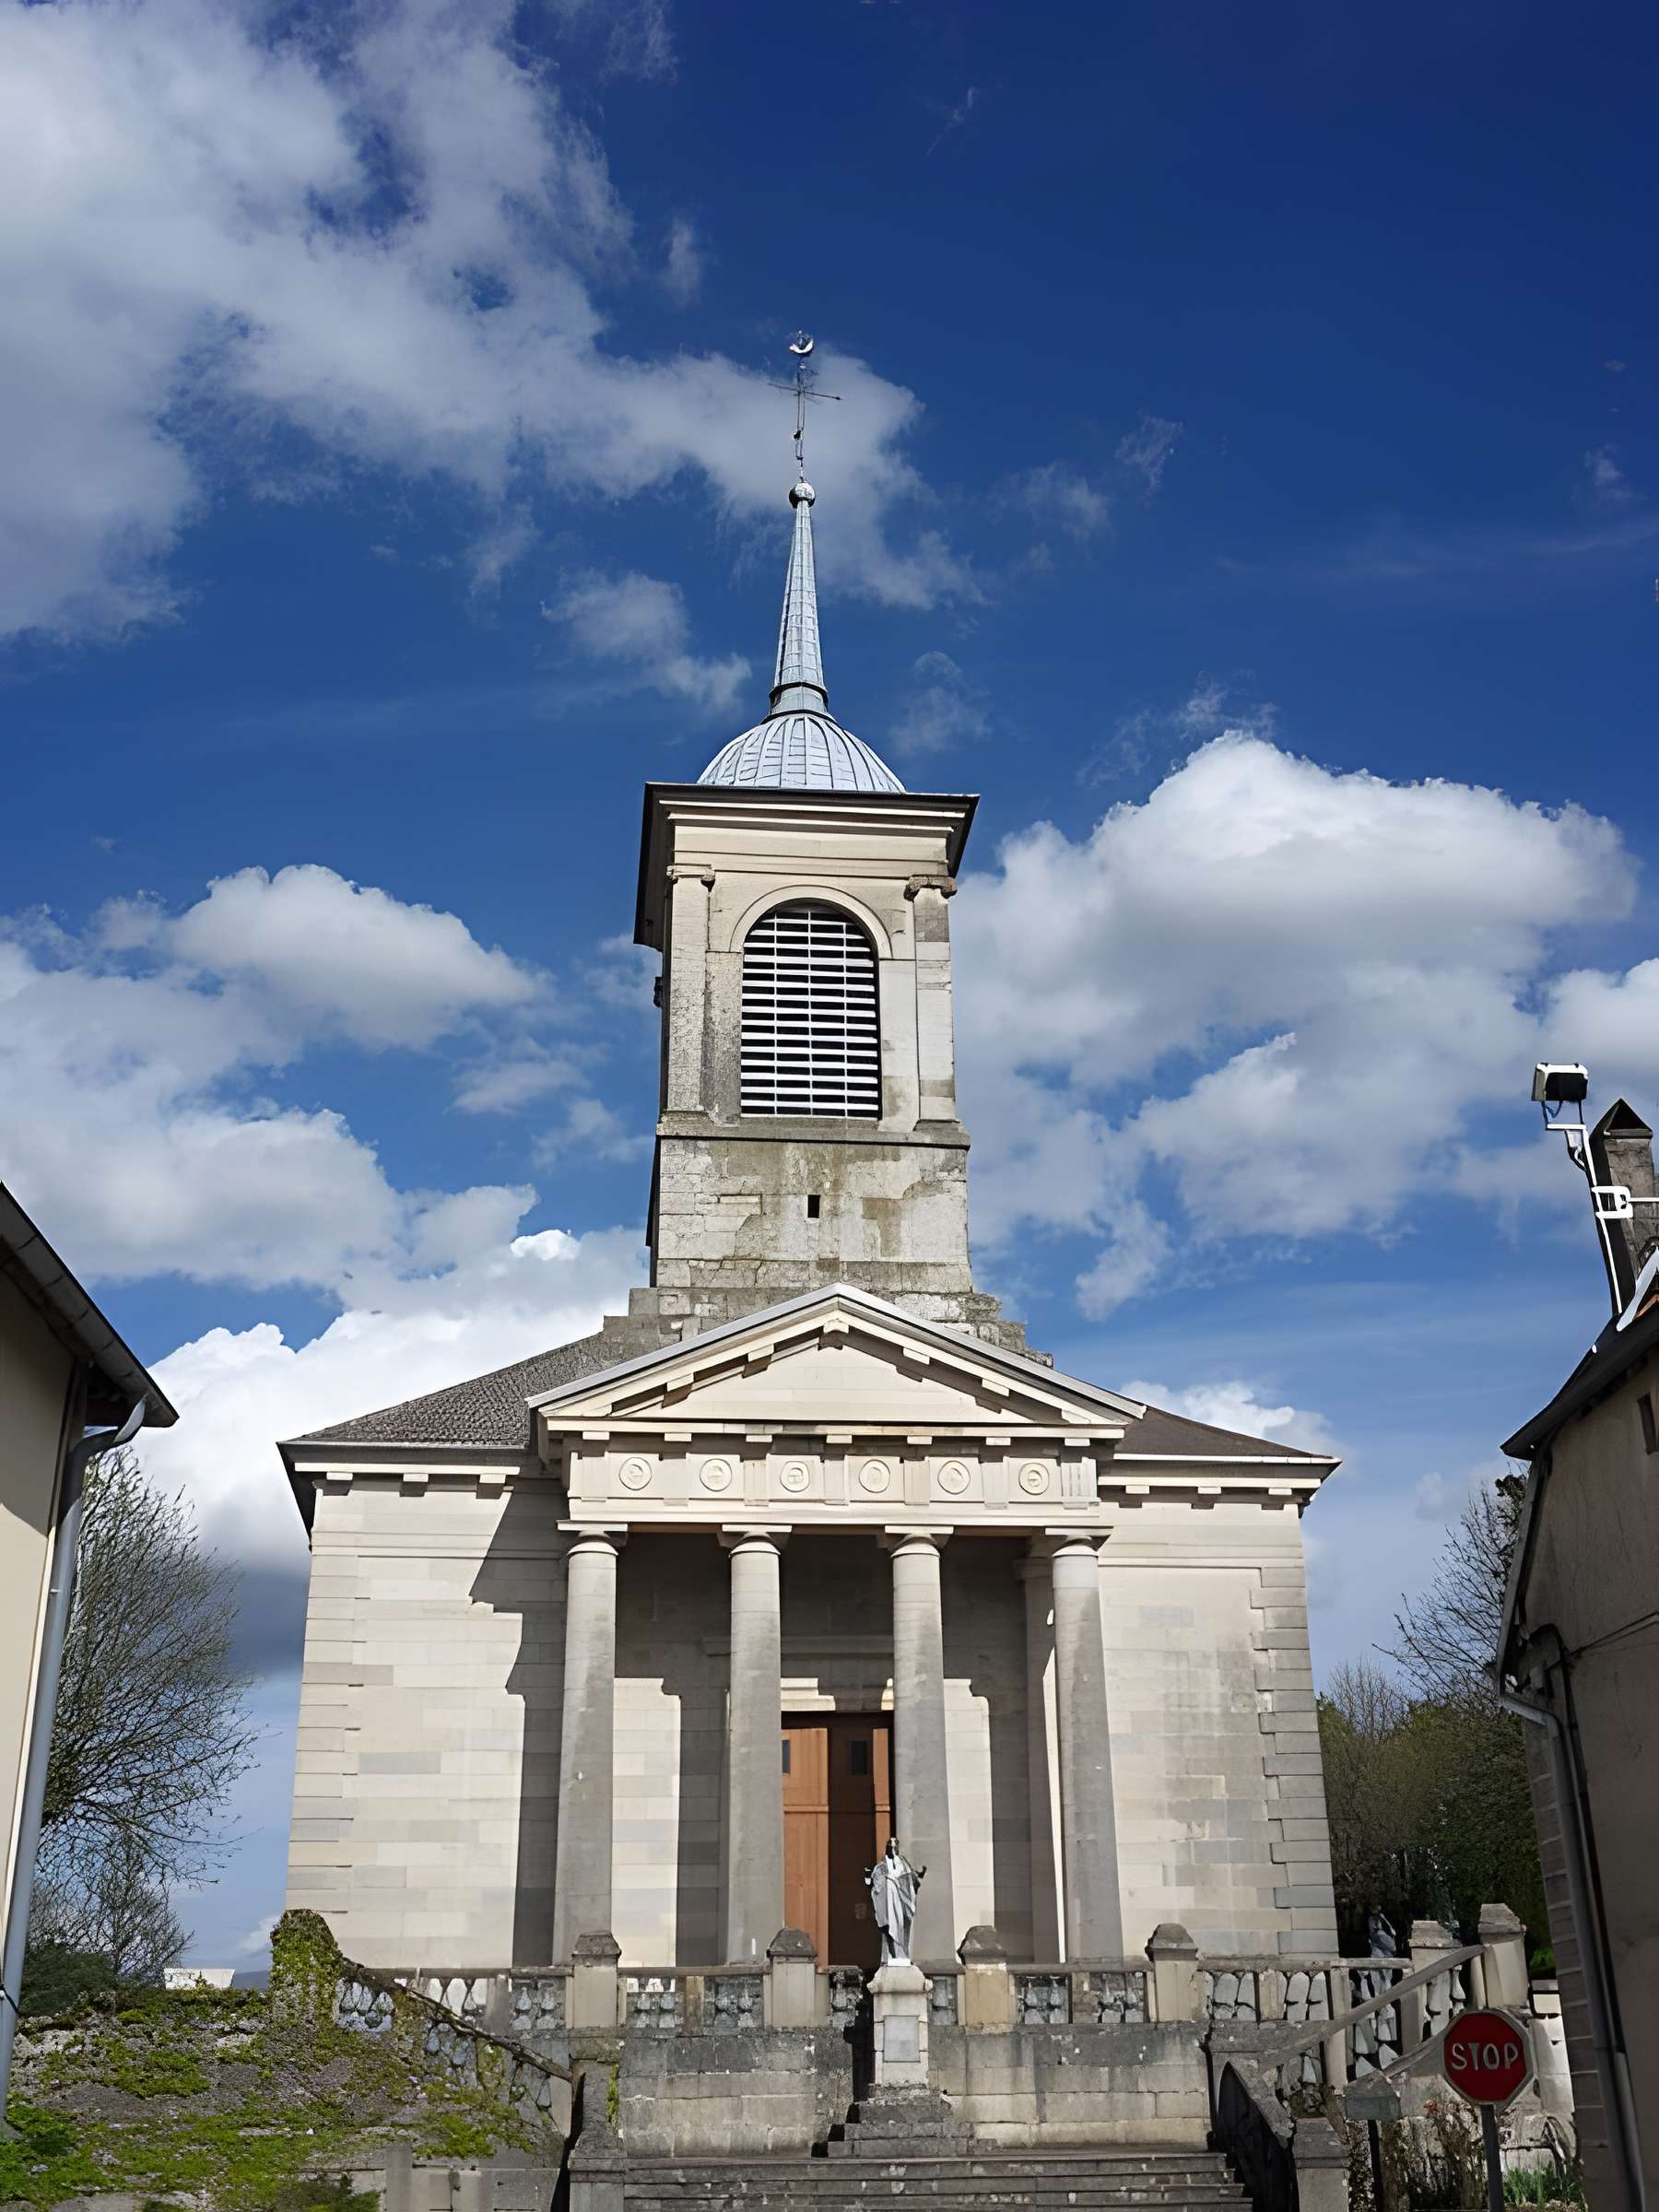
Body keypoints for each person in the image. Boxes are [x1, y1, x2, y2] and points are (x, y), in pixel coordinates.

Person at [865, 1836, 926, 1964]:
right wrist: (868, 1877)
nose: (893, 1850)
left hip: (901, 1898)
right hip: (888, 1899)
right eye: (890, 1847)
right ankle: (894, 1956)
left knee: (901, 1925)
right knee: (890, 1925)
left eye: (894, 1847)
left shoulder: (902, 1862)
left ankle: (902, 1955)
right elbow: (874, 1883)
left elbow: (911, 1876)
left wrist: (919, 1875)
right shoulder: (882, 1866)